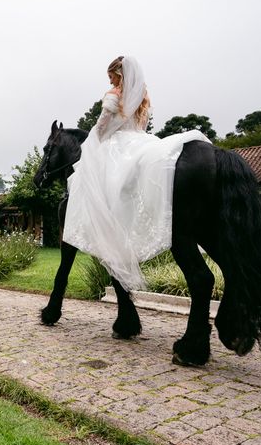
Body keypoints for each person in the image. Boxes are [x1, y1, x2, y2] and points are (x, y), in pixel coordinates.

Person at [62, 56, 211, 291]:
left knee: (94, 184)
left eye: (111, 76)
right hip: (140, 140)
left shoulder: (114, 94)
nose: (110, 81)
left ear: (118, 74)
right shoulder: (142, 96)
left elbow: (102, 126)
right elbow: (140, 127)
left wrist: (94, 144)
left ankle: (108, 228)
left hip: (117, 143)